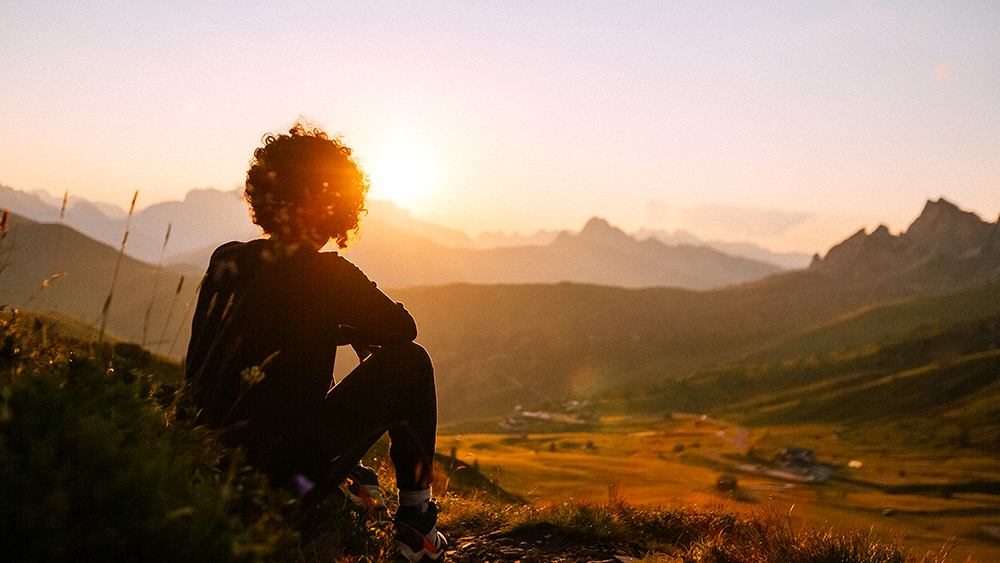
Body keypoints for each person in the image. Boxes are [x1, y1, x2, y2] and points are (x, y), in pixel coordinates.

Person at [184, 123, 446, 561]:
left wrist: (332, 329)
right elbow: (403, 329)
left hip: (208, 471)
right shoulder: (331, 277)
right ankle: (417, 524)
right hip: (284, 486)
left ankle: (351, 480)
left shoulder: (226, 258)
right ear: (337, 206)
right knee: (412, 363)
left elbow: (268, 324)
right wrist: (354, 332)